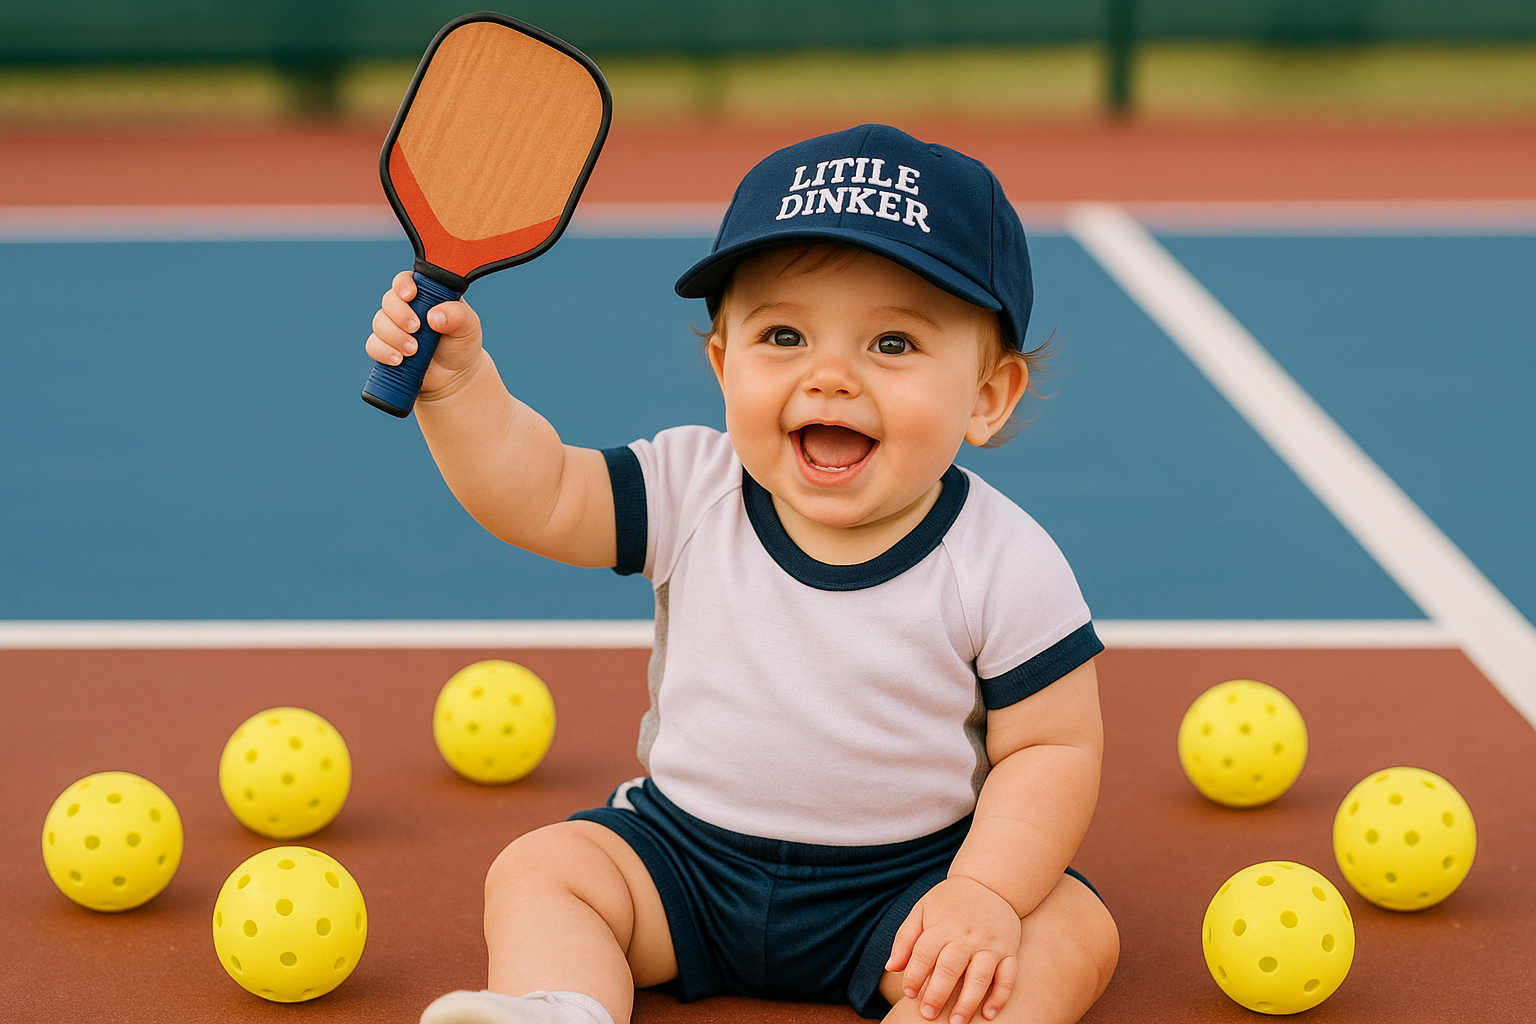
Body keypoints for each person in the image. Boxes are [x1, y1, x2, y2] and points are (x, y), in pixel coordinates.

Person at [366, 123, 1119, 1024]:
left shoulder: (1005, 559)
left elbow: (1050, 749)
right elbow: (544, 492)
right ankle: (559, 1008)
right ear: (724, 364)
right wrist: (458, 391)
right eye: (785, 335)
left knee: (1070, 933)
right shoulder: (691, 486)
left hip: (908, 890)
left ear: (987, 396)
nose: (830, 376)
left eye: (892, 345)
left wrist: (986, 892)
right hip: (682, 862)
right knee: (544, 870)